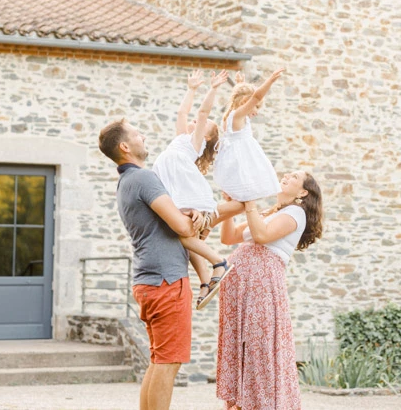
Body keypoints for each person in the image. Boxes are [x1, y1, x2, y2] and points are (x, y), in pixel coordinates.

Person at [98, 118, 198, 410]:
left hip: (149, 281)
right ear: (125, 146)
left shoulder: (126, 182)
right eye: (137, 134)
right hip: (167, 281)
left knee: (159, 360)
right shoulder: (144, 178)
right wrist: (197, 217)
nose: (144, 136)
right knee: (168, 363)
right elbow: (182, 226)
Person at [216, 170, 324, 410]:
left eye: (294, 177)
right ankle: (241, 403)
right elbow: (229, 236)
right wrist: (228, 206)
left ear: (303, 192)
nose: (286, 176)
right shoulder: (270, 213)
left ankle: (258, 403)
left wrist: (249, 203)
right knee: (242, 345)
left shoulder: (296, 212)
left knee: (258, 346)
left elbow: (262, 236)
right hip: (240, 290)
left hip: (261, 287)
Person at [152, 69, 238, 310]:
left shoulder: (193, 144)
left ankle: (219, 262)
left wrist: (212, 88)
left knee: (183, 235)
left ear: (205, 137)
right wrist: (190, 89)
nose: (194, 123)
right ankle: (205, 282)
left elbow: (202, 112)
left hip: (185, 193)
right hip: (175, 190)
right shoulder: (180, 139)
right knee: (185, 239)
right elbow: (183, 112)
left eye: (202, 126)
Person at [213, 68, 286, 202]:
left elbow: (238, 99)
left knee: (244, 200)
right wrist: (270, 80)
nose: (257, 111)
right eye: (256, 106)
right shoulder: (237, 116)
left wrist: (240, 85)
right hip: (241, 160)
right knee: (246, 200)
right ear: (245, 102)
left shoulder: (233, 114)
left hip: (237, 159)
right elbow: (256, 96)